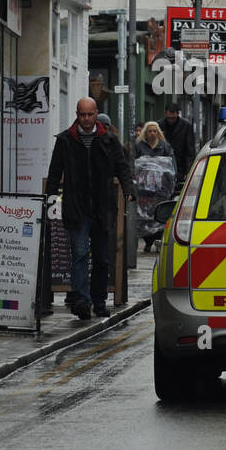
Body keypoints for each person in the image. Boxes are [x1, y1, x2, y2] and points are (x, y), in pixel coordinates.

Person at [45, 97, 134, 320]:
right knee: (81, 254)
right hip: (77, 207)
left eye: (90, 115)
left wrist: (128, 189)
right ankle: (82, 301)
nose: (86, 119)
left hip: (102, 207)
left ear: (96, 114)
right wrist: (51, 196)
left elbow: (122, 166)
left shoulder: (108, 140)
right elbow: (55, 170)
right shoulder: (66, 140)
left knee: (102, 257)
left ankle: (99, 300)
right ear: (77, 114)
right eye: (82, 115)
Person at [135, 122, 176, 252]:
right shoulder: (139, 146)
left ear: (158, 133)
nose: (152, 133)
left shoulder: (165, 146)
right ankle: (148, 241)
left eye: (155, 131)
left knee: (159, 214)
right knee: (145, 215)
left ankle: (158, 239)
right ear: (145, 133)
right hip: (144, 188)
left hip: (160, 188)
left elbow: (171, 165)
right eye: (150, 131)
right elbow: (134, 163)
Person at [159, 103, 196, 184]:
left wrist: (188, 171)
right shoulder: (159, 125)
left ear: (178, 114)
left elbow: (190, 151)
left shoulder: (186, 126)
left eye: (173, 118)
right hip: (163, 167)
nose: (171, 120)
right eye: (169, 118)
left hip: (180, 168)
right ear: (165, 114)